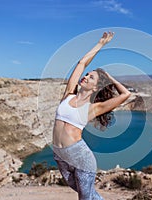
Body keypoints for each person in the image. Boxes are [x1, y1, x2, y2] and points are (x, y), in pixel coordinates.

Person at [52, 32, 131, 200]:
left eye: (91, 77)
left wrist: (108, 77)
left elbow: (125, 94)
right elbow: (81, 63)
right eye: (87, 74)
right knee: (87, 194)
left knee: (85, 197)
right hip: (60, 155)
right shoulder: (68, 95)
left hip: (80, 157)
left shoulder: (93, 108)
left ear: (96, 88)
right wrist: (100, 44)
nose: (85, 76)